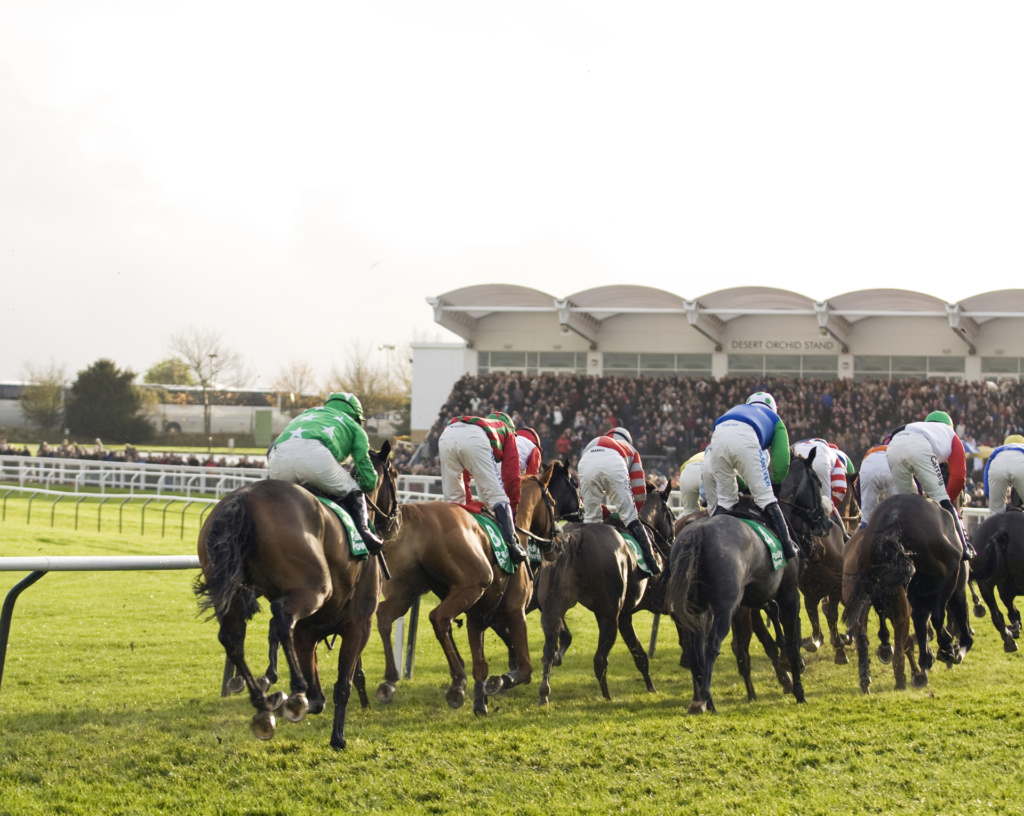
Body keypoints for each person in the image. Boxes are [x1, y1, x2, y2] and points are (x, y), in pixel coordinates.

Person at [266, 392, 384, 555]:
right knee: (353, 489)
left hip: (278, 457)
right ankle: (365, 534)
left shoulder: (307, 414)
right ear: (356, 416)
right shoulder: (354, 426)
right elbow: (365, 468)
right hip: (316, 457)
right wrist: (364, 485)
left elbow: (271, 448)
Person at [702, 392, 798, 561]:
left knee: (726, 501)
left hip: (717, 436)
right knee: (766, 499)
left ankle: (705, 540)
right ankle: (789, 549)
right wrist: (775, 485)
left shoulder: (737, 409)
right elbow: (782, 462)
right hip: (744, 438)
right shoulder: (775, 420)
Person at [438, 410, 527, 564]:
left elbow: (465, 478)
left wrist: (468, 502)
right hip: (473, 438)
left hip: (447, 433)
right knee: (498, 497)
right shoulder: (507, 432)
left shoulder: (482, 424)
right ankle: (512, 546)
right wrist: (512, 511)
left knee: (453, 499)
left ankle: (448, 550)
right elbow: (512, 477)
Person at [885, 410, 973, 560]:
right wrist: (946, 502)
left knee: (907, 503)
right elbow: (959, 477)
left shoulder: (920, 427)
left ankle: (895, 545)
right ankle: (964, 547)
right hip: (918, 446)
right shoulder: (952, 436)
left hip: (894, 444)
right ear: (950, 427)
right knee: (943, 499)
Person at [577, 427, 662, 575]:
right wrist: (628, 516)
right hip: (613, 462)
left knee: (591, 520)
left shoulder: (594, 443)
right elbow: (639, 492)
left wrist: (605, 513)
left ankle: (582, 563)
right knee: (630, 518)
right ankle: (651, 562)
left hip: (586, 460)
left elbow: (583, 497)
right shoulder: (631, 450)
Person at [790, 438, 855, 540]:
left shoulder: (799, 445)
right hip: (821, 462)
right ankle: (844, 537)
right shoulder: (832, 453)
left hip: (794, 456)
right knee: (826, 506)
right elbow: (840, 489)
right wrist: (829, 506)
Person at [857, 438, 895, 529]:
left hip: (869, 468)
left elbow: (859, 486)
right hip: (891, 466)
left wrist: (862, 507)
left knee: (867, 519)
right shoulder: (898, 450)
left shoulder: (870, 451)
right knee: (899, 510)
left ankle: (863, 531)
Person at [984, 434, 1024, 514]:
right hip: (1021, 464)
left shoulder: (999, 450)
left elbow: (986, 475)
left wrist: (991, 497)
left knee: (995, 514)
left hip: (998, 466)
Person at [677, 450, 706, 517]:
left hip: (687, 471)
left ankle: (674, 526)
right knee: (716, 510)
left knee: (689, 512)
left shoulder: (700, 453)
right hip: (706, 470)